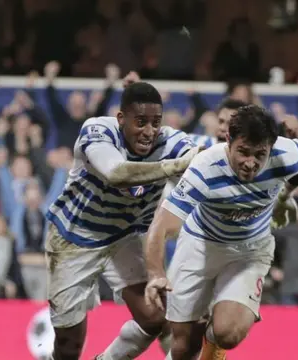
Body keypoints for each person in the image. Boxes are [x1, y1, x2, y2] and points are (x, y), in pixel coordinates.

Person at [144, 104, 298, 360]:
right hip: (200, 244)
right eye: (243, 152)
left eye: (260, 154)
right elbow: (161, 225)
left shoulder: (286, 153)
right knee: (183, 345)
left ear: (272, 146)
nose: (250, 163)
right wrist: (156, 273)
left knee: (228, 332)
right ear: (228, 140)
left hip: (249, 251)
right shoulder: (206, 167)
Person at [45, 78, 201, 360]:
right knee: (69, 343)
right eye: (140, 122)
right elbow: (116, 173)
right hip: (74, 237)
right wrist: (172, 167)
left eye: (156, 122)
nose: (149, 131)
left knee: (154, 317)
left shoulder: (172, 141)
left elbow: (201, 160)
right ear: (121, 119)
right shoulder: (98, 130)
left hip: (124, 236)